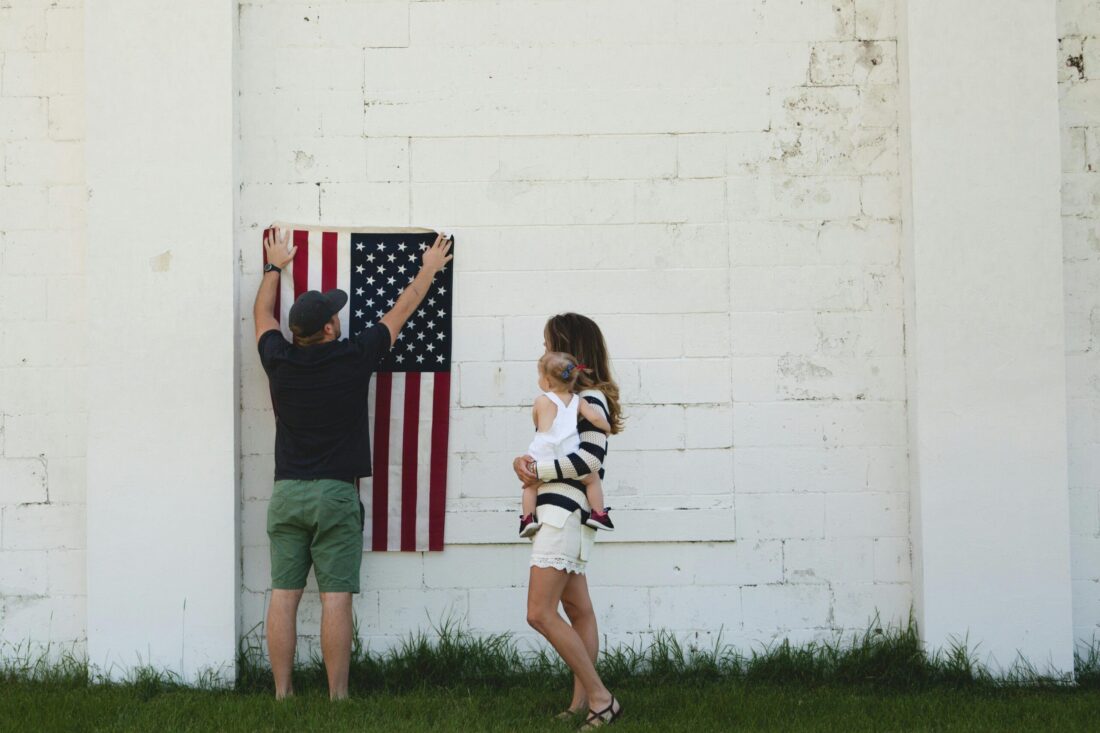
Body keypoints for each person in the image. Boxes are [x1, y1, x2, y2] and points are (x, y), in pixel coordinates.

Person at [254, 226, 453, 700]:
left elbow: (262, 315)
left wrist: (273, 267)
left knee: (283, 595)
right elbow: (403, 308)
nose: (339, 318)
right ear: (328, 329)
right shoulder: (352, 357)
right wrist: (428, 269)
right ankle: (337, 697)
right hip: (335, 494)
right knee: (336, 598)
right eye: (335, 315)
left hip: (287, 493)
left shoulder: (278, 359)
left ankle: (282, 695)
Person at [513, 313, 625, 729]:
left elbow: (590, 461)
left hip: (564, 514)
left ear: (567, 349)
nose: (544, 352)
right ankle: (581, 705)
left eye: (548, 345)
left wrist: (536, 472)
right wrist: (524, 463)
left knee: (539, 612)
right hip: (562, 513)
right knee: (578, 610)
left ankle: (601, 698)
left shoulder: (589, 399)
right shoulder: (566, 401)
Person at [518, 351, 614, 539]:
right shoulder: (579, 401)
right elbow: (595, 418)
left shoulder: (541, 401)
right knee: (592, 479)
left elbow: (537, 423)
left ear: (547, 382)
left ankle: (527, 519)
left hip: (542, 458)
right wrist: (607, 427)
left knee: (530, 487)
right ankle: (598, 514)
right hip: (568, 457)